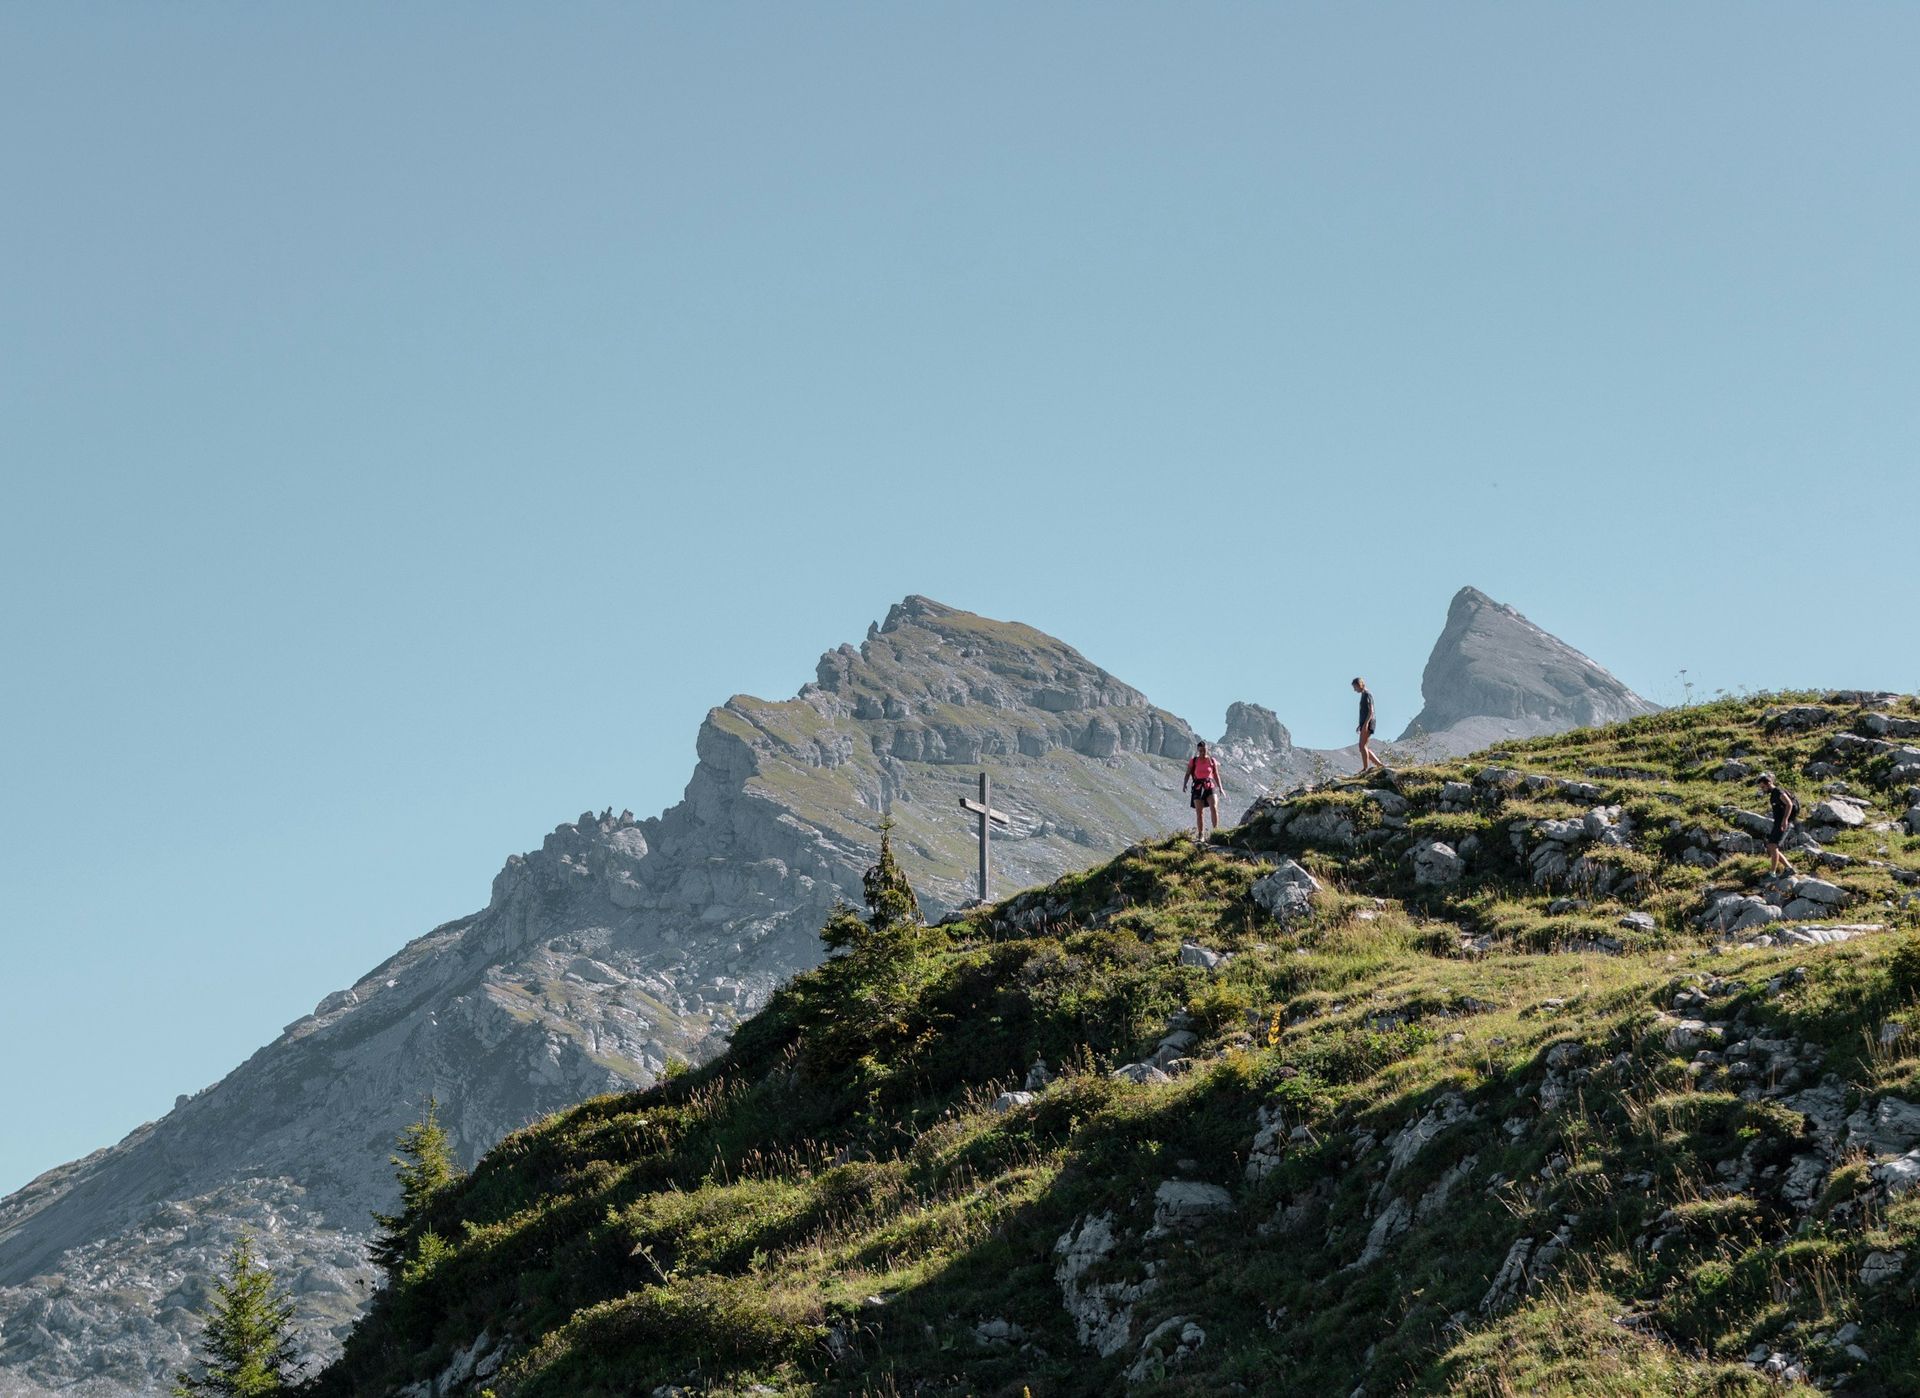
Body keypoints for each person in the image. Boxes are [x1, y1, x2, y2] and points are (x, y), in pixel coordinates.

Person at [1757, 772, 1797, 877]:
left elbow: (1789, 804)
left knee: (1772, 846)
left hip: (1783, 823)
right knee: (1771, 846)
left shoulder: (1778, 791)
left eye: (1763, 787)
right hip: (1778, 822)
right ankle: (1789, 868)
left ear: (1768, 783)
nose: (1762, 789)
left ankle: (1772, 873)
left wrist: (1785, 820)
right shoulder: (1773, 794)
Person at [1184, 740, 1223, 842]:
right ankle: (1201, 835)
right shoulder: (1194, 761)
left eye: (1204, 750)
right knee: (1199, 812)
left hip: (1210, 785)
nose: (1202, 753)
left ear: (1207, 750)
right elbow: (1188, 773)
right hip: (1197, 786)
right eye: (1200, 751)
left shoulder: (1212, 760)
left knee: (1214, 807)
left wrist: (1221, 788)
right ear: (1198, 750)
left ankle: (1216, 832)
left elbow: (1216, 775)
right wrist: (1185, 784)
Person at [1352, 677, 1382, 773]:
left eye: (1355, 687)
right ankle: (1379, 765)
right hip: (1365, 723)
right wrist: (1360, 724)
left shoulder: (1367, 694)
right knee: (1363, 746)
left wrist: (1365, 724)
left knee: (1362, 746)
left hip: (1368, 722)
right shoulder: (1363, 695)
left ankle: (1365, 768)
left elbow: (1371, 711)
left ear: (1360, 685)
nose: (1354, 689)